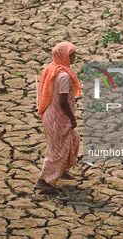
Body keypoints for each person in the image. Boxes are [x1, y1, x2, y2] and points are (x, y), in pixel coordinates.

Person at [35, 41, 81, 192]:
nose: (74, 57)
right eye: (71, 55)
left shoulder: (51, 68)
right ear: (64, 56)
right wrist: (72, 118)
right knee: (57, 150)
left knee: (73, 139)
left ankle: (62, 170)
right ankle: (44, 181)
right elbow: (62, 101)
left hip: (50, 113)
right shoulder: (63, 76)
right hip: (58, 116)